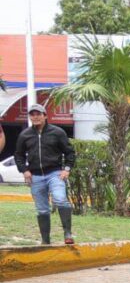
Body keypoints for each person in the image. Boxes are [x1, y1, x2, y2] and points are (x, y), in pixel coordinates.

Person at [14, 103, 76, 246]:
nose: (35, 117)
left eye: (38, 114)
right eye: (32, 114)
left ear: (45, 116)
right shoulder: (25, 135)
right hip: (35, 176)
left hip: (55, 173)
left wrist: (67, 169)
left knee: (60, 200)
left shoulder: (57, 132)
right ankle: (45, 241)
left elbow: (69, 152)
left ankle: (67, 233)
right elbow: (19, 155)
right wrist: (24, 170)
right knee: (42, 209)